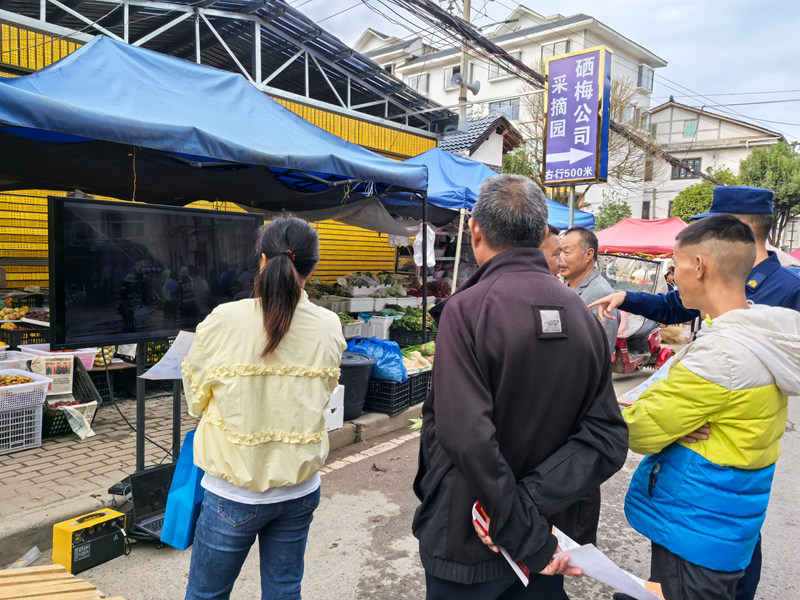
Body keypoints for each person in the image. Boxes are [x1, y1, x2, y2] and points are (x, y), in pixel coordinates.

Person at [412, 174, 628, 600]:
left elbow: (468, 438)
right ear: (542, 234)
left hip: (472, 535)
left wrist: (520, 525)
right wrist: (531, 512)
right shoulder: (582, 315)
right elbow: (607, 437)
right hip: (546, 533)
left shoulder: (468, 310)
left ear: (475, 230)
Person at [589, 186, 800, 600]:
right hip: (728, 510)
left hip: (697, 522)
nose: (673, 277)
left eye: (675, 266)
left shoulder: (720, 355)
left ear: (700, 266)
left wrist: (635, 407)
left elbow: (641, 432)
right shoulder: (763, 326)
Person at [182, 216, 346, 600]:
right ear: (312, 266)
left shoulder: (224, 320)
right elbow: (323, 394)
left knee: (206, 595)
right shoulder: (328, 325)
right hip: (300, 490)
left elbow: (196, 402)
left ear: (261, 260)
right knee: (285, 591)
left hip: (234, 492)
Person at [557, 227, 619, 357]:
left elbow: (601, 353)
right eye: (558, 253)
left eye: (567, 253)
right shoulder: (566, 288)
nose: (560, 259)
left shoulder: (601, 294)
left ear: (589, 255)